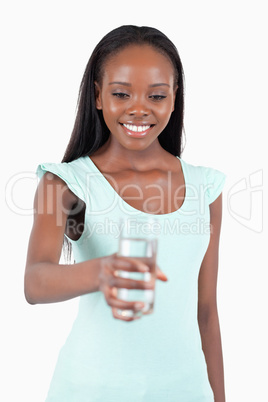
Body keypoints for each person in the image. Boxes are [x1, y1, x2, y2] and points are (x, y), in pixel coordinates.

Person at [24, 25, 226, 401]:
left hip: (184, 391)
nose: (138, 108)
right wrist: (102, 271)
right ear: (98, 96)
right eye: (121, 93)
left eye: (156, 95)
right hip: (89, 390)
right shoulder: (67, 183)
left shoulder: (205, 188)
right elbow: (35, 282)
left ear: (174, 98)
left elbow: (206, 311)